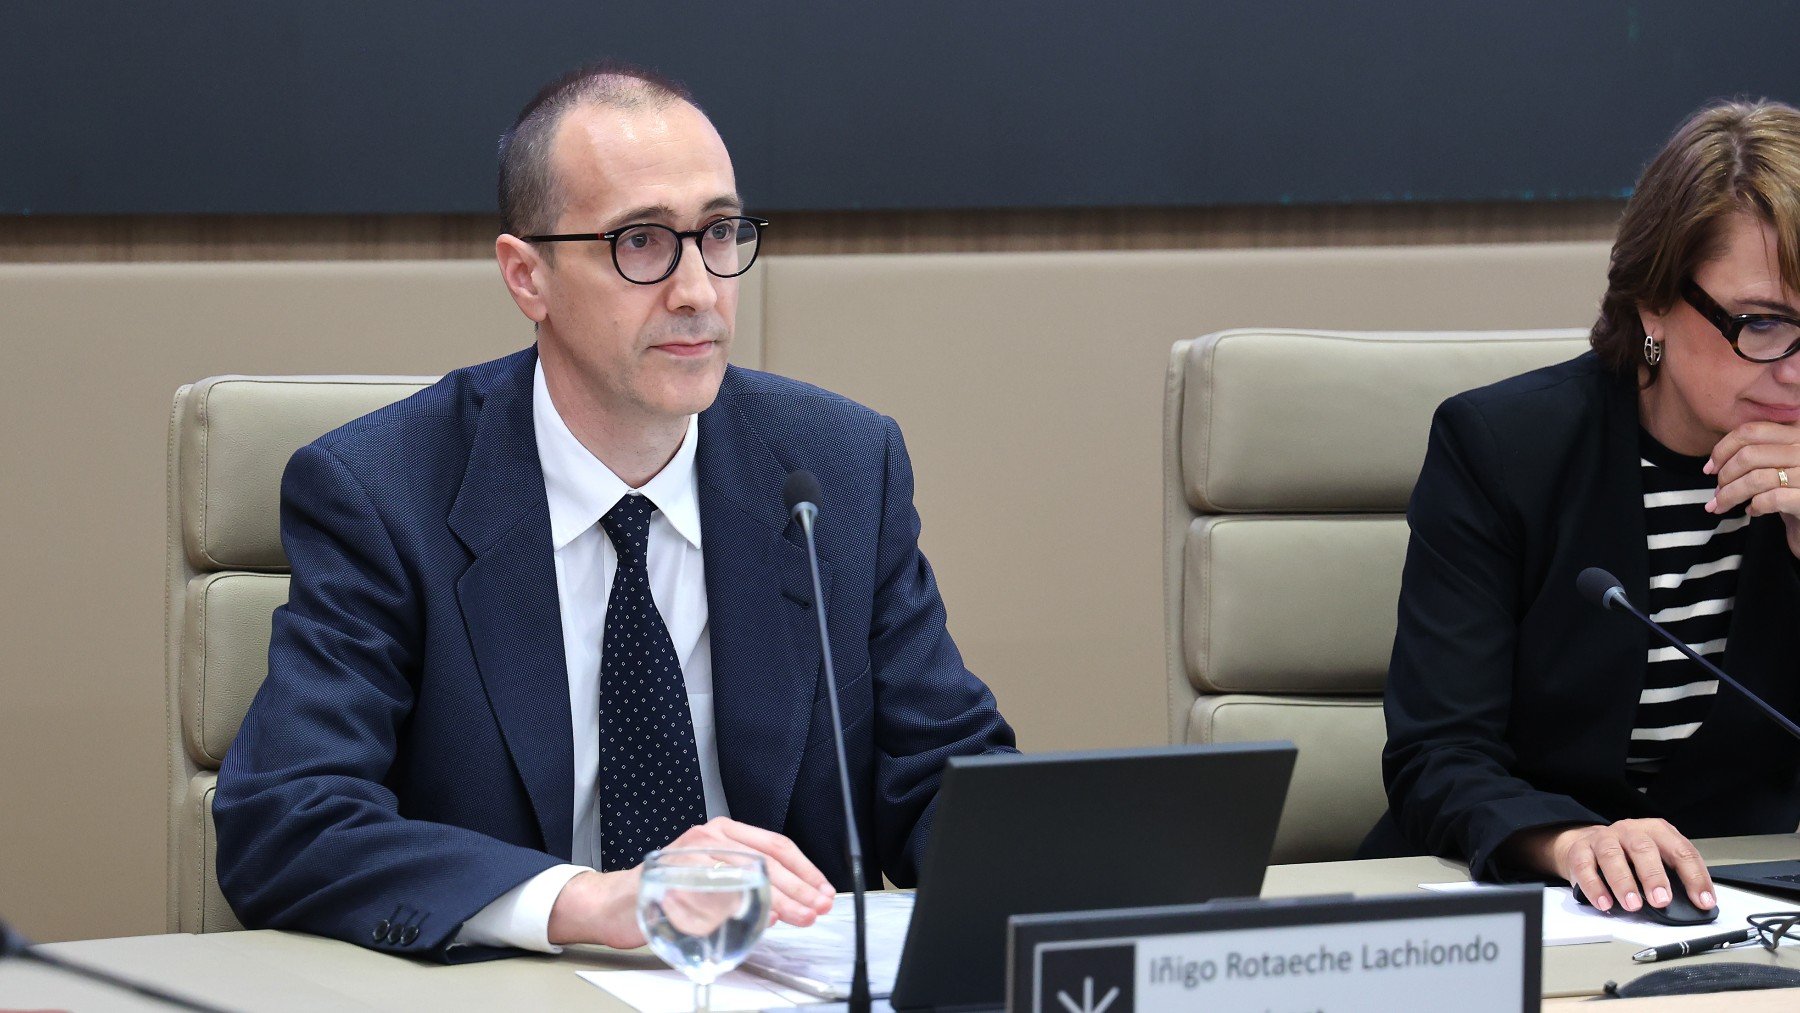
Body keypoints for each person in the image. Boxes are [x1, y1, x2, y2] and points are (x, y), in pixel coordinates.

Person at [213, 64, 1016, 961]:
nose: (698, 290)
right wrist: (588, 901)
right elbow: (286, 821)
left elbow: (952, 778)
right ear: (529, 278)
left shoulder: (836, 473)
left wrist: (1051, 870)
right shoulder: (383, 493)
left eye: (719, 232)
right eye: (642, 243)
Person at [1364, 99, 1800, 917]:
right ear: (1654, 304)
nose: (1796, 371)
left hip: (1752, 912)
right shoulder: (1503, 449)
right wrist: (1565, 839)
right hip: (1521, 902)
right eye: (1766, 324)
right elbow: (1437, 754)